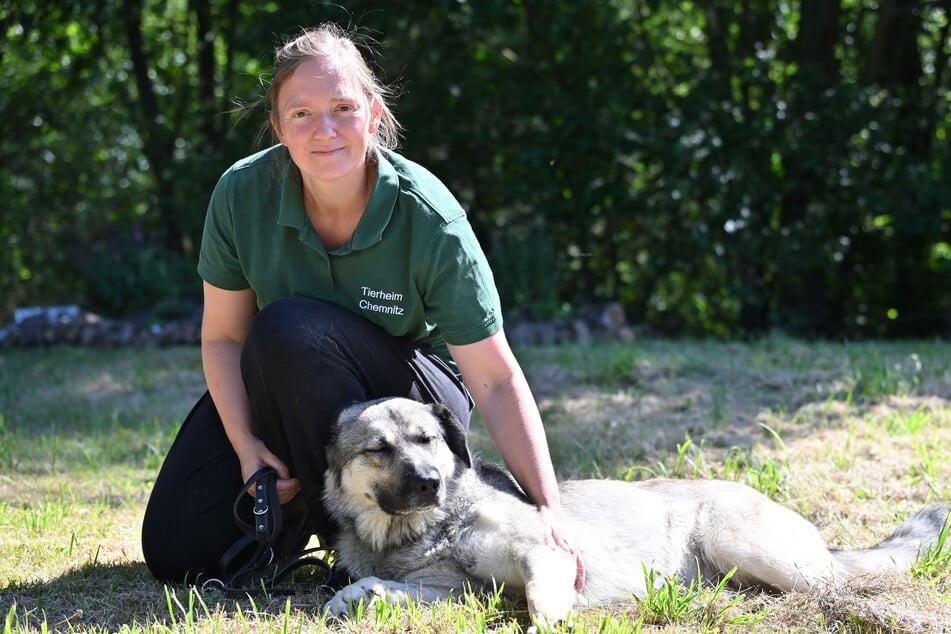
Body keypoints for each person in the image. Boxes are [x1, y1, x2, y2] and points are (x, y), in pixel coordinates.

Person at [141, 22, 584, 593]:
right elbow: (225, 340)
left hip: (412, 405)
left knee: (288, 327)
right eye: (300, 113)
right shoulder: (240, 194)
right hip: (288, 378)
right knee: (178, 553)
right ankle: (291, 519)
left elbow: (495, 379)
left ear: (374, 115)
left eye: (343, 107)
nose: (323, 129)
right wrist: (247, 449)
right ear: (277, 126)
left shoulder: (431, 218)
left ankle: (351, 555)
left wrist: (548, 509)